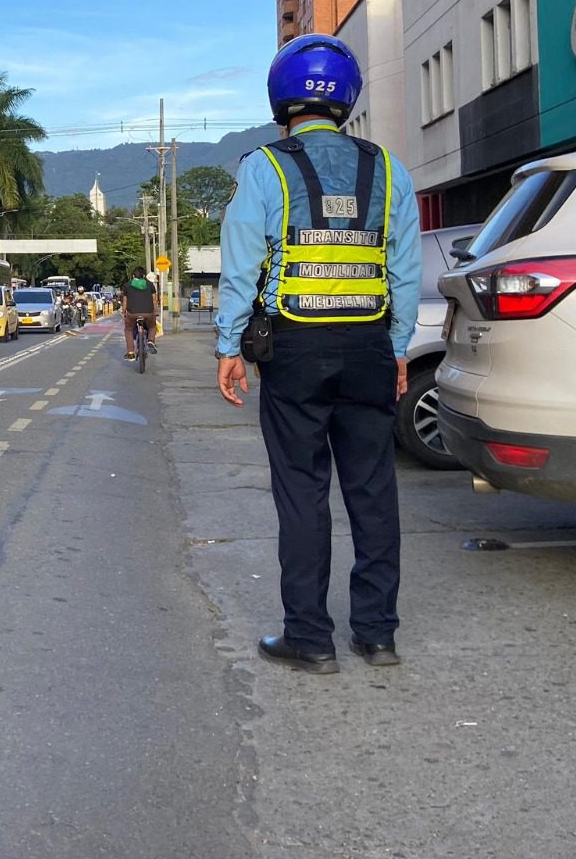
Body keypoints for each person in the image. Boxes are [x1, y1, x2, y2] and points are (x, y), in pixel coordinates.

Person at [215, 33, 421, 676]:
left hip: (296, 350)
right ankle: (377, 634)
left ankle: (309, 637)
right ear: (346, 98)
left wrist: (229, 347)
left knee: (302, 493)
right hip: (369, 347)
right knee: (372, 490)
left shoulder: (264, 168)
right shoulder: (390, 169)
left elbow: (241, 266)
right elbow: (405, 272)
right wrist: (397, 351)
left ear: (282, 99)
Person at [120, 266, 158, 361]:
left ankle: (131, 353)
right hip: (148, 313)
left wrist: (124, 312)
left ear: (133, 275)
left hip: (132, 313)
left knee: (128, 329)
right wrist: (155, 311)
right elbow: (154, 300)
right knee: (152, 326)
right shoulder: (150, 285)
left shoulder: (127, 285)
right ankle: (150, 341)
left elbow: (125, 301)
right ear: (144, 275)